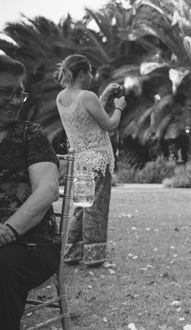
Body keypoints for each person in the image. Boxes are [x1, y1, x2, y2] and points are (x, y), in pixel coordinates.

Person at [0, 54, 61, 330]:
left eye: (17, 94)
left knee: (1, 268)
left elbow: (47, 190)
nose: (13, 100)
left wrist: (8, 230)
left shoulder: (30, 135)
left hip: (30, 244)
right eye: (5, 92)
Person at [55, 54, 126, 266]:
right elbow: (110, 125)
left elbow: (88, 115)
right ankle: (95, 257)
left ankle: (72, 253)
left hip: (80, 160)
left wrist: (103, 96)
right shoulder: (87, 96)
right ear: (83, 73)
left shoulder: (61, 97)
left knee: (81, 206)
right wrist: (119, 106)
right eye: (91, 72)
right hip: (98, 159)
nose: (92, 76)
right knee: (97, 208)